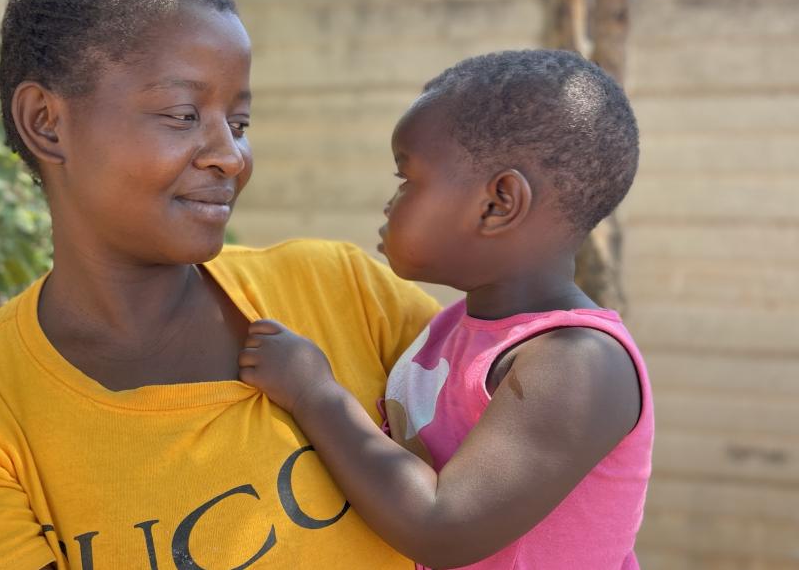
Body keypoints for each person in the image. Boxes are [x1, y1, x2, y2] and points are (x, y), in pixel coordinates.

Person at [0, 0, 439, 568]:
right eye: (183, 115)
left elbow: (534, 429)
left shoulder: (344, 294)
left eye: (239, 122)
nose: (230, 156)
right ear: (46, 123)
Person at [237, 50, 654, 570]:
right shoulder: (447, 329)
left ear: (499, 202)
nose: (391, 203)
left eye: (407, 179)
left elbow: (442, 527)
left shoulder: (578, 362)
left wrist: (313, 393)